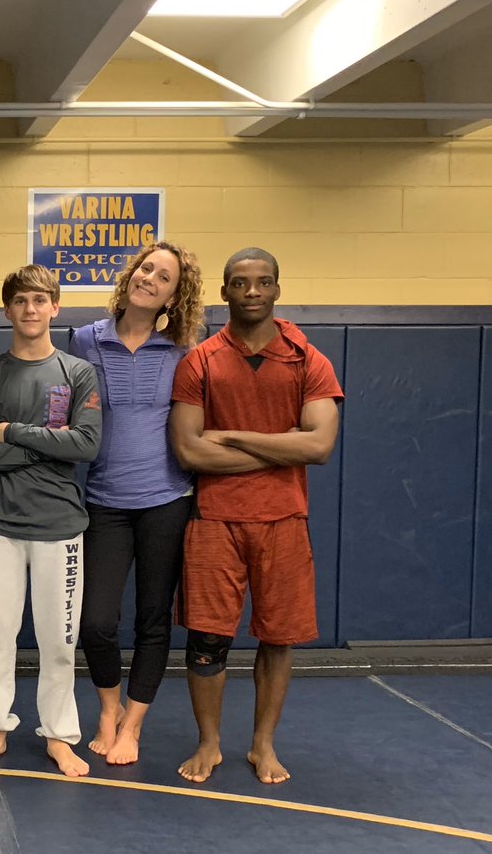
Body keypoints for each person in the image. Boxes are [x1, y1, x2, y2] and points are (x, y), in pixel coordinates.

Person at [169, 247, 342, 785]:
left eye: (263, 282)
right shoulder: (199, 361)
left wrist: (232, 436)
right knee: (207, 640)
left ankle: (262, 745)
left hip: (284, 518)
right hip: (214, 520)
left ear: (277, 290)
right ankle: (209, 743)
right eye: (240, 283)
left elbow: (319, 447)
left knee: (278, 636)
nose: (252, 292)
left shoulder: (308, 360)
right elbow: (189, 451)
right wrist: (281, 446)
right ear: (224, 291)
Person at [0, 264, 102, 778]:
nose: (30, 309)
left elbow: (86, 444)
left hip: (60, 525)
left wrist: (15, 432)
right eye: (20, 300)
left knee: (59, 641)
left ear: (55, 307)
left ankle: (59, 736)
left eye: (40, 300)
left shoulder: (77, 372)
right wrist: (51, 444)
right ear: (7, 310)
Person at [69, 241, 205, 766]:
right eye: (146, 268)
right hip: (104, 500)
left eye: (164, 277)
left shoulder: (183, 350)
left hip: (167, 500)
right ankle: (109, 708)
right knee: (96, 622)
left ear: (175, 295)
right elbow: (66, 413)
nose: (150, 278)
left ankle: (133, 723)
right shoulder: (85, 339)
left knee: (152, 619)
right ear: (130, 275)